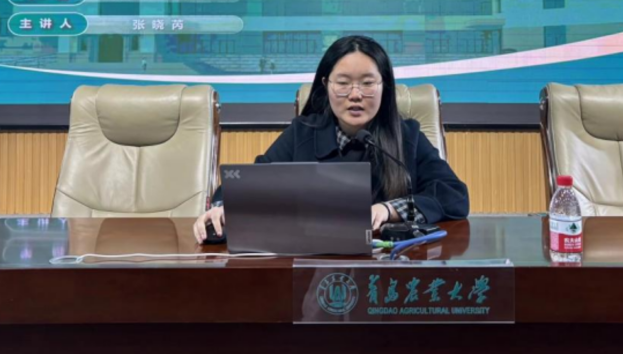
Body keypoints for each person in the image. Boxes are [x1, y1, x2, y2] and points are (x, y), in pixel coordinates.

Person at [193, 35, 469, 244]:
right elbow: (251, 182)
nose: (355, 95)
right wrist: (222, 208)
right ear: (326, 85)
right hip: (310, 267)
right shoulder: (303, 132)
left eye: (367, 83)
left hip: (387, 270)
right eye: (343, 83)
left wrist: (389, 210)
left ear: (384, 86)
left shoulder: (406, 135)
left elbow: (453, 195)